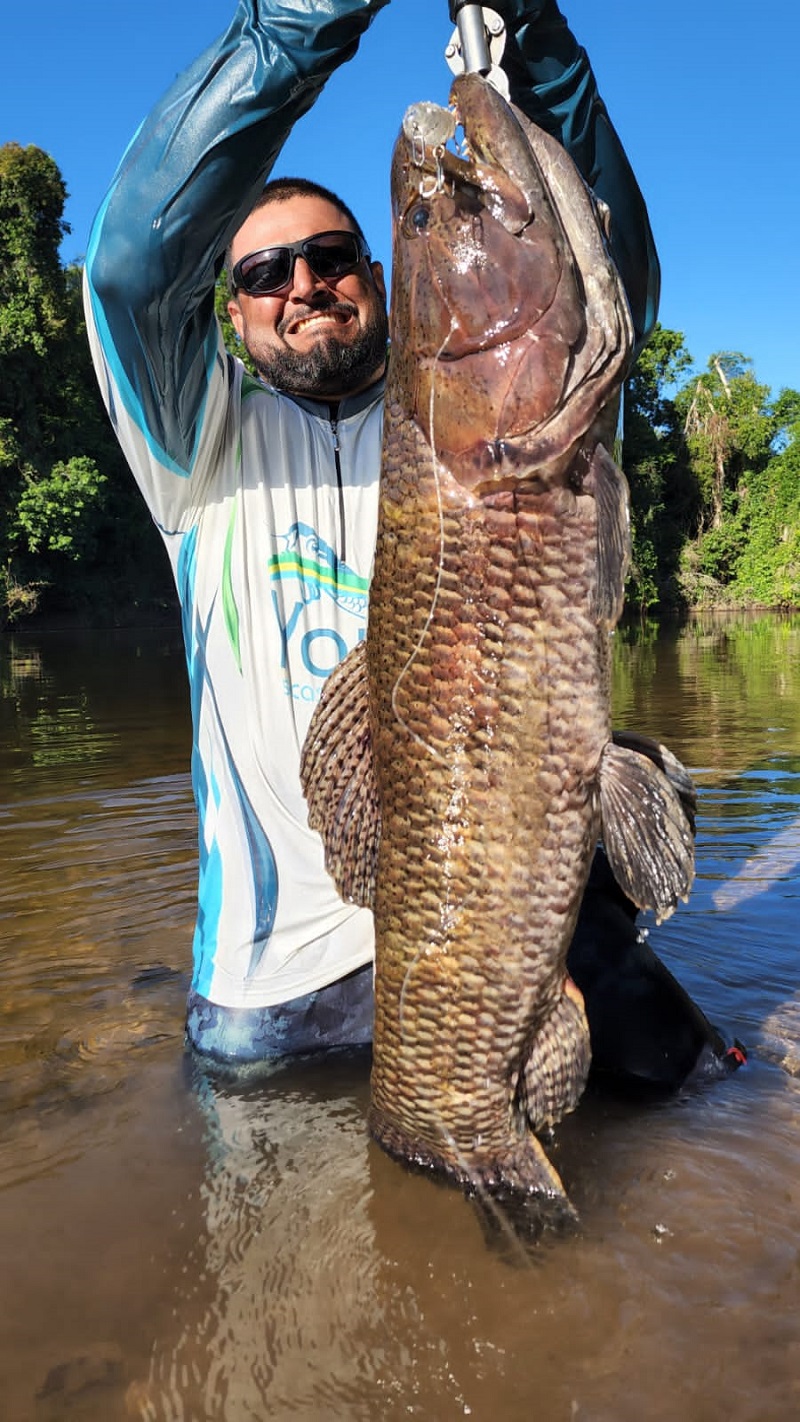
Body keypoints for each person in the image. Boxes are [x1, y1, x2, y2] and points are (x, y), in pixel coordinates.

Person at [85, 0, 722, 1075]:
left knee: (676, 1084)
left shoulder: (491, 407)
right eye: (261, 275)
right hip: (277, 986)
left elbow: (600, 278)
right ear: (226, 318)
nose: (302, 286)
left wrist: (535, 40)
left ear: (378, 279)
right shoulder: (196, 450)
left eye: (332, 255)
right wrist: (295, 24)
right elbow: (130, 268)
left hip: (508, 911)